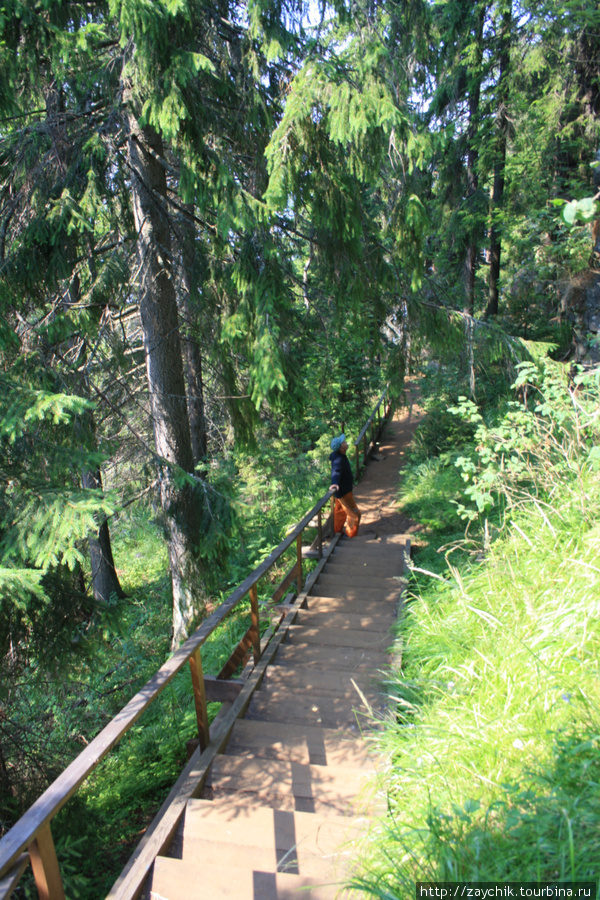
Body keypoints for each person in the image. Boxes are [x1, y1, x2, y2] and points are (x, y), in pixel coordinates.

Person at [329, 433, 361, 538]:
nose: (346, 443)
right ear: (341, 448)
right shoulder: (338, 459)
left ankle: (337, 531)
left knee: (340, 512)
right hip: (344, 492)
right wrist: (334, 483)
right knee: (354, 514)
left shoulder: (339, 455)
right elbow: (336, 472)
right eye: (344, 442)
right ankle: (351, 535)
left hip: (341, 492)